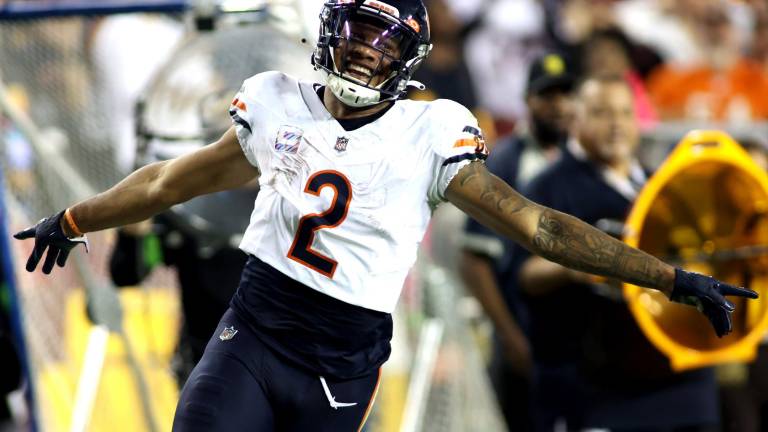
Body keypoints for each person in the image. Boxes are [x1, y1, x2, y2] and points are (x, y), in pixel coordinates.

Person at [13, 1, 758, 431]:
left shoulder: (431, 132)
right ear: (329, 32)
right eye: (359, 35)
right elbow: (167, 180)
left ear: (408, 58)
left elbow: (540, 227)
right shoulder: (275, 103)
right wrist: (75, 218)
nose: (367, 55)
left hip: (342, 360)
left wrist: (666, 277)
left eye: (385, 44)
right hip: (255, 331)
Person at [516, 74, 720, 431]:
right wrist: (573, 266)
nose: (617, 124)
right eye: (602, 113)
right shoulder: (547, 187)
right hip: (598, 385)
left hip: (684, 376)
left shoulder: (665, 184)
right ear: (576, 118)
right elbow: (523, 273)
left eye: (626, 113)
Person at [458, 50, 576, 431]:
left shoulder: (578, 157)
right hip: (524, 333)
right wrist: (510, 337)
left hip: (575, 343)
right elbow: (474, 260)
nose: (558, 105)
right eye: (547, 95)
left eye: (565, 94)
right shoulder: (506, 162)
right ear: (527, 100)